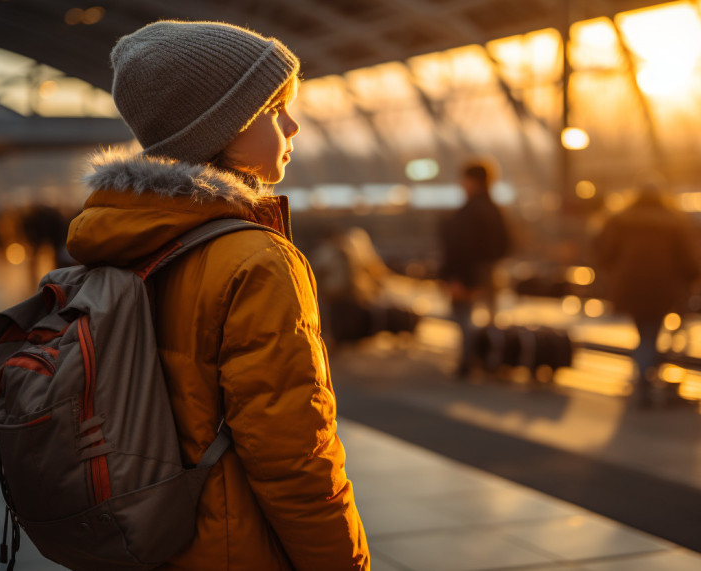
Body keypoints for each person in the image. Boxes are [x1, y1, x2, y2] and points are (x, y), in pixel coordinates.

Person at [65, 21, 369, 570]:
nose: (293, 126)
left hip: (149, 536)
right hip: (235, 547)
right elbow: (295, 458)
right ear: (223, 127)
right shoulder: (257, 262)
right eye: (276, 110)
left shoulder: (122, 239)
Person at [595, 184, 701, 407]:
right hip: (663, 286)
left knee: (643, 331)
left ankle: (643, 377)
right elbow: (688, 257)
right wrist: (693, 277)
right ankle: (645, 378)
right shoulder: (673, 222)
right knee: (651, 332)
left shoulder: (621, 220)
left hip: (630, 285)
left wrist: (614, 273)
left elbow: (604, 252)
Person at [439, 160, 511, 377]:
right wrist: (489, 265)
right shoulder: (495, 210)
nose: (461, 184)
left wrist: (455, 278)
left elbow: (459, 247)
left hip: (467, 276)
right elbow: (506, 243)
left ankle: (467, 362)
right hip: (489, 274)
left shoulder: (469, 211)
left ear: (473, 181)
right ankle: (491, 360)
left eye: (464, 179)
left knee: (465, 320)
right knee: (490, 319)